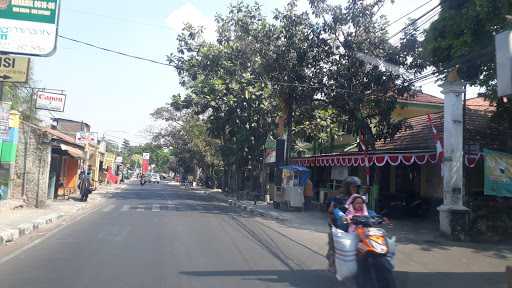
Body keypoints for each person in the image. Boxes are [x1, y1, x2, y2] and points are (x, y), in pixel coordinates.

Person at [326, 176, 362, 273]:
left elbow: (366, 210)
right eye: (353, 187)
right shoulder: (338, 198)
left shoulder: (358, 198)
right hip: (340, 225)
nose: (355, 189)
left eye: (357, 187)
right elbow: (330, 210)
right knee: (334, 243)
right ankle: (332, 262)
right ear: (347, 187)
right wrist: (335, 219)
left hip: (355, 225)